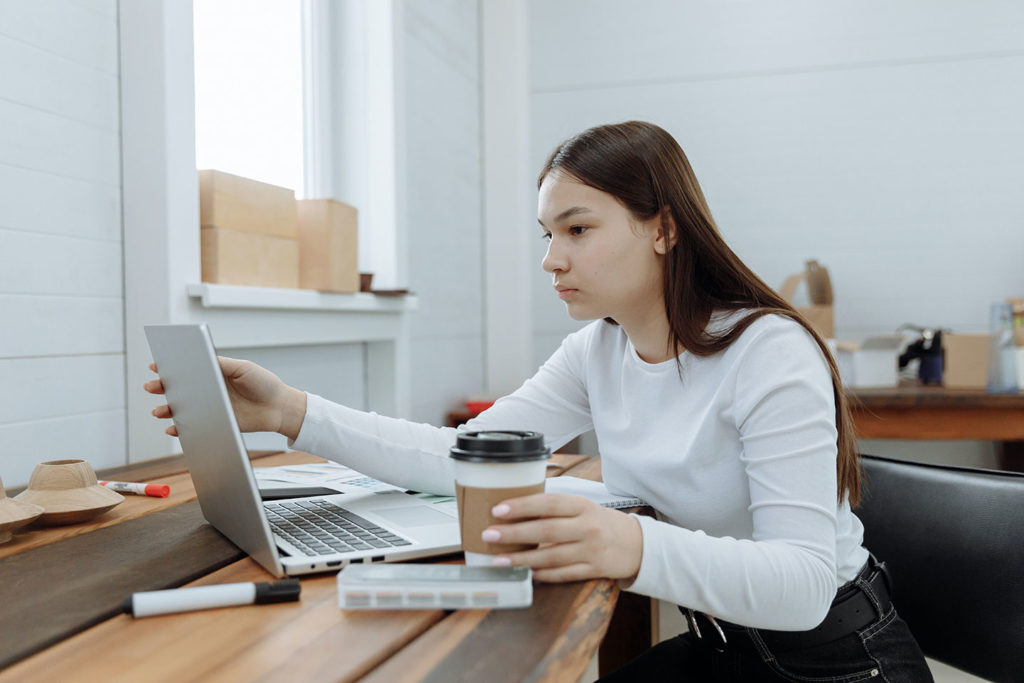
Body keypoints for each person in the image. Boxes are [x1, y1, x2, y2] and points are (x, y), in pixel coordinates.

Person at [146, 121, 933, 681]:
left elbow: (799, 586)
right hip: (726, 645)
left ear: (663, 228)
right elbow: (461, 454)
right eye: (544, 234)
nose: (552, 259)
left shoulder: (767, 350)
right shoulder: (600, 348)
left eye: (578, 228)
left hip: (838, 657)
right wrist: (291, 411)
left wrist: (627, 545)